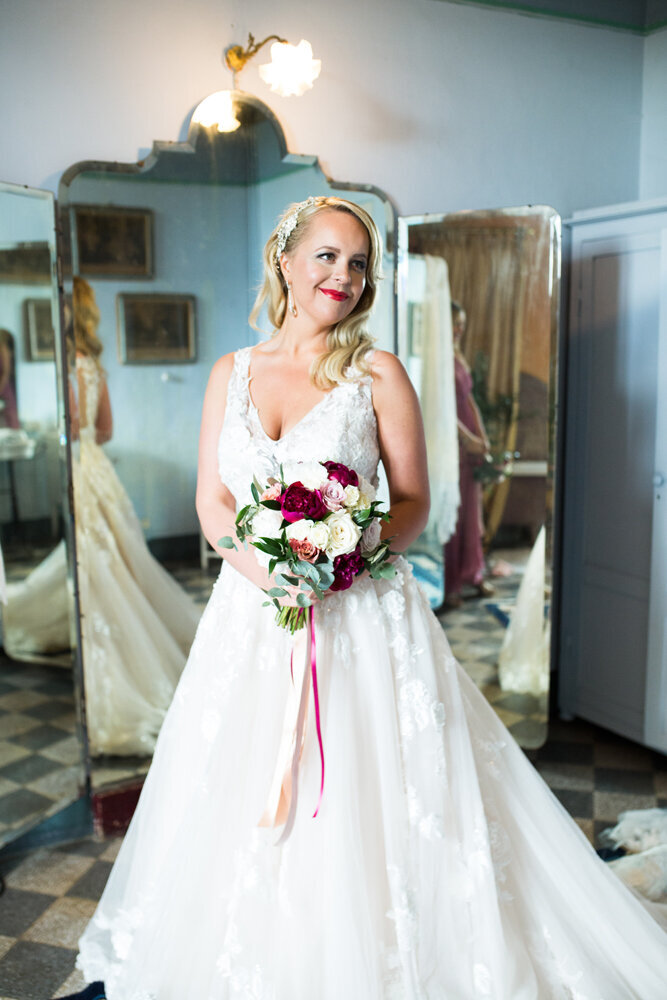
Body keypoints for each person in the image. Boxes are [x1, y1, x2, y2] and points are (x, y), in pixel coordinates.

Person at [71, 197, 667, 999]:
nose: (342, 278)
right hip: (253, 615)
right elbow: (213, 504)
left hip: (362, 615)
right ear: (284, 261)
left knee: (369, 788)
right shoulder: (230, 373)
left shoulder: (376, 373)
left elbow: (413, 501)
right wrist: (271, 572)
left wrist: (346, 555)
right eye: (326, 257)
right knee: (240, 786)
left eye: (358, 265)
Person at [4, 277, 200, 755]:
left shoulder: (67, 366)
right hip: (97, 464)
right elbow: (104, 430)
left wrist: (63, 429)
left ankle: (113, 638)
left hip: (78, 463)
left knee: (95, 554)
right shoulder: (92, 365)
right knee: (109, 551)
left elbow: (70, 426)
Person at [442, 300, 494, 610]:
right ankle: (451, 584)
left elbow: (469, 399)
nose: (459, 329)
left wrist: (483, 436)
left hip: (472, 442)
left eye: (462, 323)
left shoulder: (458, 355)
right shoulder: (439, 357)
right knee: (457, 513)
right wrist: (468, 439)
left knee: (473, 511)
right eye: (454, 323)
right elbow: (443, 409)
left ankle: (473, 573)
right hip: (454, 442)